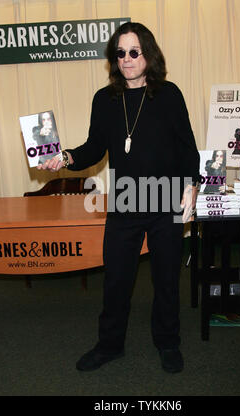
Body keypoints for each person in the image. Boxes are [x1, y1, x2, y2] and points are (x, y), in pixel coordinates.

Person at [37, 22, 200, 373]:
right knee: (116, 281)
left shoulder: (169, 95)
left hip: (166, 201)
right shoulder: (105, 99)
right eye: (120, 53)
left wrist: (192, 186)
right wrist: (65, 157)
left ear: (148, 55)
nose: (126, 59)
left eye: (134, 52)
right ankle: (109, 345)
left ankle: (168, 343)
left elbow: (188, 149)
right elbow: (95, 148)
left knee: (167, 280)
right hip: (126, 203)